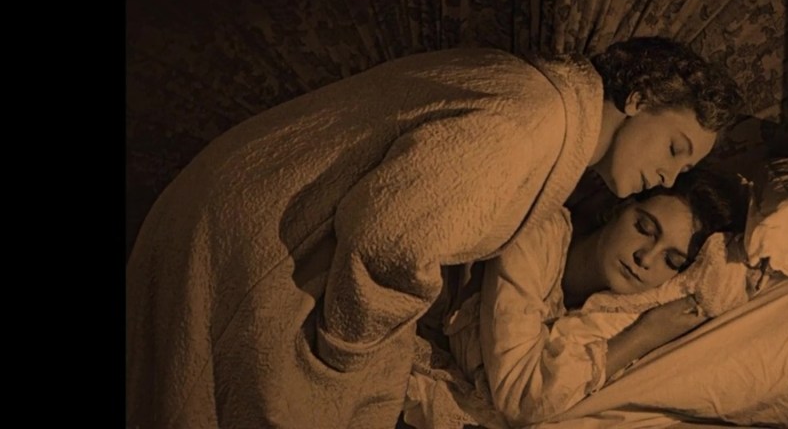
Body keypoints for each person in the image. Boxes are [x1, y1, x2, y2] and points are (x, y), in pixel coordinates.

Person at [125, 37, 743, 429]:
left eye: (683, 167)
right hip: (258, 236)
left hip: (253, 208)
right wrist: (345, 363)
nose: (669, 174)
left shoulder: (544, 104)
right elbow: (389, 240)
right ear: (638, 97)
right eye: (675, 147)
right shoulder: (530, 124)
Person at [442, 167, 747, 427]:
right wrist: (643, 336)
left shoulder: (612, 313)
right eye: (644, 228)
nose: (645, 257)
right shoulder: (539, 236)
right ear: (618, 208)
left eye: (671, 261)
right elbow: (520, 399)